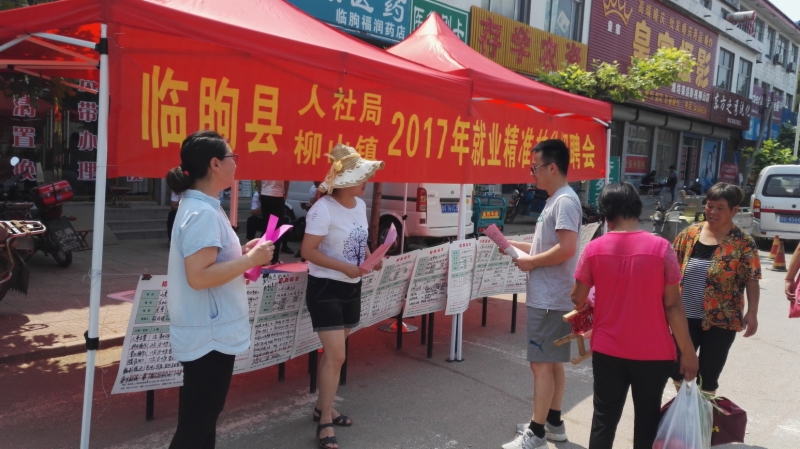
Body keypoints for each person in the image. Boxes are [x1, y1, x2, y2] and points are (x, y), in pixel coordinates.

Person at [165, 130, 275, 449]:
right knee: (196, 427)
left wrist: (242, 252)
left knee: (203, 422)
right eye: (232, 157)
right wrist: (250, 260)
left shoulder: (203, 206)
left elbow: (210, 261)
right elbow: (199, 276)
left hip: (207, 332)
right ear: (215, 164)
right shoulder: (201, 212)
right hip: (208, 337)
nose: (235, 164)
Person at [571, 182, 698, 449]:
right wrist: (688, 352)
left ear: (606, 213)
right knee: (647, 421)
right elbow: (673, 306)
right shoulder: (662, 248)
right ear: (637, 208)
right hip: (653, 353)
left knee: (604, 419)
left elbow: (577, 297)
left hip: (608, 350)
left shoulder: (593, 249)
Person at [300, 144, 384, 449]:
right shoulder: (322, 209)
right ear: (345, 181)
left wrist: (372, 257)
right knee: (337, 355)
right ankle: (324, 421)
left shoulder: (359, 205)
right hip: (326, 288)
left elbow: (361, 240)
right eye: (361, 177)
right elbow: (308, 251)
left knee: (334, 355)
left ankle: (322, 408)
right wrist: (345, 267)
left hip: (351, 286)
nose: (366, 182)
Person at [503, 139, 581, 449]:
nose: (532, 173)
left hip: (550, 298)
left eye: (535, 167)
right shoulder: (556, 200)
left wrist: (532, 262)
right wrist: (513, 247)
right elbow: (546, 246)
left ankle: (536, 432)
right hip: (552, 295)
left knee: (540, 364)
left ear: (552, 167)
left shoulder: (564, 202)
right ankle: (553, 423)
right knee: (552, 362)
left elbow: (567, 248)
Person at [670, 182, 760, 395]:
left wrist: (752, 312)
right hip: (684, 317)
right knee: (677, 369)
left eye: (720, 208)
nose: (712, 212)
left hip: (722, 320)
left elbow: (752, 279)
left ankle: (703, 412)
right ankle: (684, 409)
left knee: (708, 377)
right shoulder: (689, 234)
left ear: (734, 210)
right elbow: (670, 270)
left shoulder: (743, 242)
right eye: (710, 206)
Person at [259, 179, 292, 262]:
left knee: (266, 227)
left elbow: (258, 179)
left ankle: (261, 257)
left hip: (265, 194)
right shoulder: (282, 167)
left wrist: (260, 191)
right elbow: (287, 179)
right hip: (277, 195)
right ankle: (274, 259)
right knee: (276, 229)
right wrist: (285, 193)